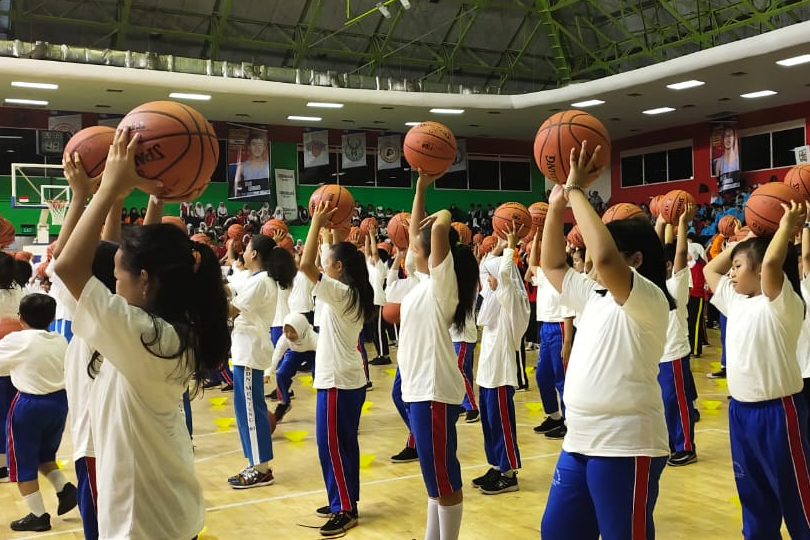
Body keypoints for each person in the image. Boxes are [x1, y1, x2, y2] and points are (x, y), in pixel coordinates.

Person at [54, 127, 231, 540]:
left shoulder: (144, 335)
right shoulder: (165, 330)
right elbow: (119, 255)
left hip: (145, 518)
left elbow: (67, 268)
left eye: (118, 278)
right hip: (165, 506)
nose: (114, 285)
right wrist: (146, 199)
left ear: (146, 282)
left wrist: (106, 189)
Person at [540, 142, 671, 540]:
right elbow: (551, 263)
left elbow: (607, 261)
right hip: (580, 439)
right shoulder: (592, 295)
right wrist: (557, 204)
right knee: (557, 533)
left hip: (628, 445)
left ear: (635, 260)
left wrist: (578, 191)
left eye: (607, 252)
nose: (593, 260)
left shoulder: (649, 298)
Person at [704, 201, 810, 539]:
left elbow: (771, 264)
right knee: (754, 497)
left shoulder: (782, 301)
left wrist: (784, 228)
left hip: (779, 413)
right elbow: (710, 271)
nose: (730, 272)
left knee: (798, 496)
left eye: (737, 267)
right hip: (740, 413)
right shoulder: (737, 302)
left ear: (759, 269)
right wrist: (738, 245)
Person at [398, 169, 479, 540]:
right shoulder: (424, 284)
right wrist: (419, 188)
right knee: (433, 475)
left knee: (443, 478)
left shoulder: (441, 288)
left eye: (421, 249)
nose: (413, 249)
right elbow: (420, 235)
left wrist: (444, 215)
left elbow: (433, 234)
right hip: (418, 390)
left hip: (432, 392)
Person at [299, 202, 375, 537]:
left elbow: (304, 264)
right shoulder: (349, 290)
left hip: (337, 380)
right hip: (349, 378)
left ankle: (344, 508)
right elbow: (323, 258)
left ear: (338, 267)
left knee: (331, 444)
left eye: (327, 263)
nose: (322, 265)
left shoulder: (340, 292)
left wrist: (314, 222)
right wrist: (329, 230)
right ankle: (345, 499)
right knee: (345, 443)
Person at [0, 293, 75, 532]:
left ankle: (38, 515)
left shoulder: (17, 340)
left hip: (30, 406)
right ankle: (65, 489)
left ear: (21, 318)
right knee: (44, 456)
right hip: (60, 404)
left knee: (22, 462)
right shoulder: (60, 339)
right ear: (53, 317)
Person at [472, 224, 528, 495]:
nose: (488, 281)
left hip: (502, 373)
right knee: (490, 422)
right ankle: (496, 465)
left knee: (502, 423)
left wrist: (510, 246)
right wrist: (494, 251)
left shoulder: (513, 298)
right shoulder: (494, 299)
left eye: (491, 277)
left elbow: (504, 274)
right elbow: (488, 273)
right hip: (487, 373)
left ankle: (509, 472)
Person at [226, 233, 281, 488]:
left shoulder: (262, 282)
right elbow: (233, 290)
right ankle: (253, 462)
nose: (243, 253)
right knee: (243, 410)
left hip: (251, 350)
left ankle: (261, 468)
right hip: (244, 350)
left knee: (250, 410)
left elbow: (231, 309)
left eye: (246, 249)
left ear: (255, 253)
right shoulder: (255, 278)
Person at [655, 207, 699, 467]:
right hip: (655, 356)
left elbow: (680, 252)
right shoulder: (650, 286)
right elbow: (652, 250)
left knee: (677, 403)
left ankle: (686, 447)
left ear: (668, 266)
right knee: (662, 403)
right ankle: (670, 443)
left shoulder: (676, 285)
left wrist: (681, 222)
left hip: (674, 354)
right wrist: (660, 222)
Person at [527, 230, 574, 439]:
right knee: (542, 376)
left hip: (560, 328)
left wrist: (568, 341)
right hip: (545, 328)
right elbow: (530, 268)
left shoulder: (564, 276)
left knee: (561, 378)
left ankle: (569, 422)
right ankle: (554, 416)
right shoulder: (545, 274)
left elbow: (569, 310)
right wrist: (537, 237)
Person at [268, 312, 318, 423]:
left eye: (293, 331)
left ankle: (324, 405)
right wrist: (268, 372)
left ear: (301, 330)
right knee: (281, 374)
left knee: (319, 376)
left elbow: (324, 354)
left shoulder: (313, 338)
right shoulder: (284, 339)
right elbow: (276, 355)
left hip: (313, 353)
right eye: (286, 331)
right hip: (295, 352)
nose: (289, 335)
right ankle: (284, 403)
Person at [0, 251, 24, 482]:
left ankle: (3, 465)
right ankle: (12, 460)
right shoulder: (18, 291)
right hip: (15, 359)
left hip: (3, 359)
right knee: (9, 413)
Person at [233, 133, 270, 198]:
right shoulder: (241, 166)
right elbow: (236, 188)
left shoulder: (269, 165)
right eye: (254, 144)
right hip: (248, 198)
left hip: (265, 197)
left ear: (264, 147)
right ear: (249, 147)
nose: (257, 148)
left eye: (260, 145)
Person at [713, 126, 741, 194]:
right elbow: (718, 182)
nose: (728, 139)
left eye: (730, 136)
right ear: (723, 139)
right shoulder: (718, 162)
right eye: (725, 137)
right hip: (725, 194)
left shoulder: (738, 159)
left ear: (734, 138)